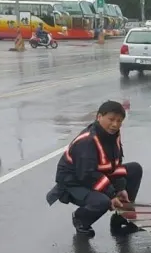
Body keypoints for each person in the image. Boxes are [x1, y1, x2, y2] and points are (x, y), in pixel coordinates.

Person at [45, 100, 143, 237]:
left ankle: (121, 214)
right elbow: (87, 176)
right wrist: (112, 194)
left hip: (97, 175)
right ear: (99, 117)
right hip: (74, 182)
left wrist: (121, 189)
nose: (115, 124)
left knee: (135, 169)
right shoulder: (87, 141)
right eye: (111, 119)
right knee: (103, 201)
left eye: (119, 121)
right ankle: (81, 219)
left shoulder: (113, 135)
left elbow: (116, 164)